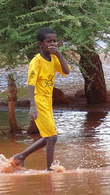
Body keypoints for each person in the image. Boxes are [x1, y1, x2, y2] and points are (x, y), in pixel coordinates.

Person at [12, 27, 70, 171]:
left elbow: (67, 71)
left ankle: (20, 157)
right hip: (38, 100)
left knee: (49, 137)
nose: (52, 44)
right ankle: (49, 169)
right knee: (52, 137)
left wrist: (59, 54)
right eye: (48, 41)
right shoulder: (36, 61)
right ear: (40, 44)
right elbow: (31, 84)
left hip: (48, 101)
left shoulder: (54, 58)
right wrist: (32, 105)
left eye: (55, 41)